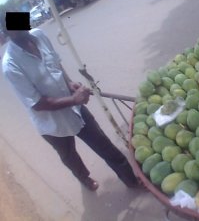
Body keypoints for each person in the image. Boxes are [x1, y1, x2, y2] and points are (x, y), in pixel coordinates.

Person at [1, 18, 138, 192]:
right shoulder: (10, 65)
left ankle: (130, 179)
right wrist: (74, 100)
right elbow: (37, 103)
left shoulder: (39, 36)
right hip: (52, 125)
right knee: (69, 156)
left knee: (103, 143)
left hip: (75, 110)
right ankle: (84, 178)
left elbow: (56, 65)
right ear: (5, 33)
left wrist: (70, 83)